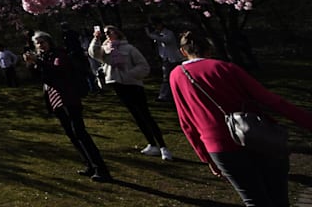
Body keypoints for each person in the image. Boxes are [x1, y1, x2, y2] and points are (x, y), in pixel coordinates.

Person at [170, 30, 312, 207]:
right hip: (258, 137)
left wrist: (206, 157)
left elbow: (186, 122)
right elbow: (271, 101)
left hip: (219, 147)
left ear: (183, 52)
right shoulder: (225, 68)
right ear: (209, 49)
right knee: (279, 198)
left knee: (253, 200)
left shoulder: (177, 75)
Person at [24, 31, 111, 182]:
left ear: (49, 41)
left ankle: (101, 168)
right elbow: (41, 77)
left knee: (80, 133)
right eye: (37, 43)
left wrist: (38, 62)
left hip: (68, 97)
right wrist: (31, 64)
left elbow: (58, 70)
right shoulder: (43, 58)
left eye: (42, 41)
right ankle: (89, 165)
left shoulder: (58, 54)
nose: (40, 45)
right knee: (71, 134)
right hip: (55, 99)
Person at [88, 25, 172, 160]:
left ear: (117, 32)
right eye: (105, 33)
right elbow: (94, 53)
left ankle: (163, 146)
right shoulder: (105, 49)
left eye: (110, 31)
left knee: (145, 114)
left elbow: (143, 66)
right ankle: (152, 144)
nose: (107, 34)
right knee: (136, 115)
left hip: (133, 84)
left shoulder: (129, 49)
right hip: (117, 84)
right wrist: (95, 38)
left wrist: (130, 74)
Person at [146, 18, 185, 102]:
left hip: (174, 59)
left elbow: (165, 40)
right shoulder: (157, 34)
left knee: (170, 78)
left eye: (157, 25)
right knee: (166, 78)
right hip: (166, 59)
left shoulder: (169, 33)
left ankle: (166, 95)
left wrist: (149, 34)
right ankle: (165, 95)